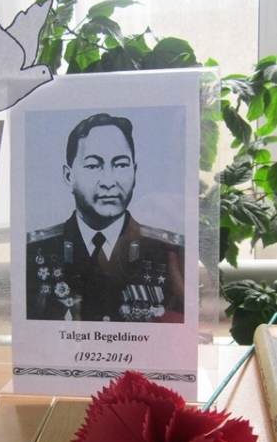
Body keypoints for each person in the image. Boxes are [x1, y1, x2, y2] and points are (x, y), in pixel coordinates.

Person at [26, 112, 185, 322]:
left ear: (135, 171)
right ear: (68, 176)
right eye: (93, 165)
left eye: (121, 164)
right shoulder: (37, 251)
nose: (109, 182)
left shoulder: (165, 250)